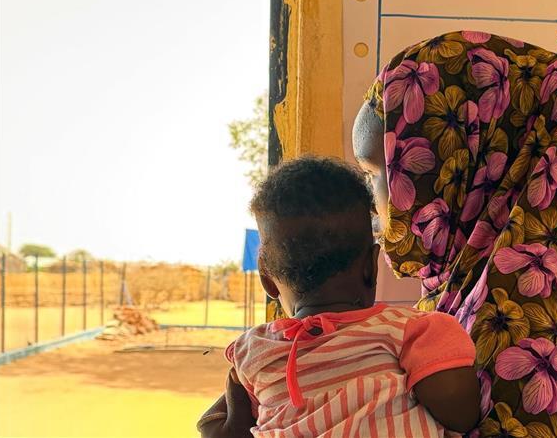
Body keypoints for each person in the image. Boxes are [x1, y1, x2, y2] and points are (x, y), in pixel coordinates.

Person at [353, 31, 557, 437]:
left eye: (376, 174)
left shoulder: (516, 328)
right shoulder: (466, 290)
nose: (371, 202)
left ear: (445, 171)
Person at [198, 156, 480, 437]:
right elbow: (462, 415)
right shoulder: (410, 331)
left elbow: (217, 432)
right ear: (371, 267)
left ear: (268, 280)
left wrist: (236, 405)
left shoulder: (254, 351)